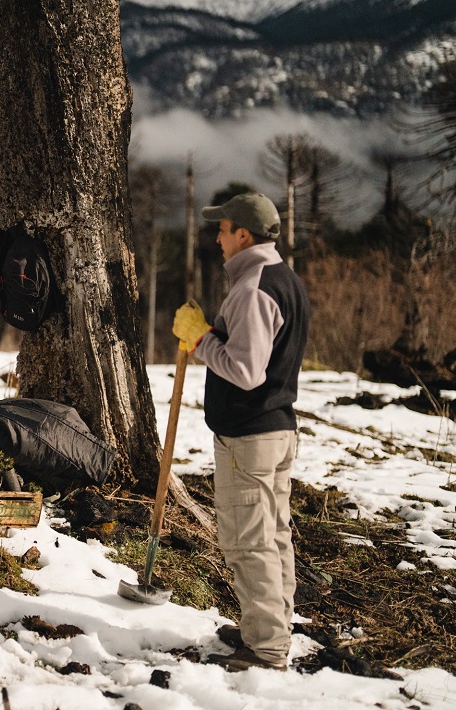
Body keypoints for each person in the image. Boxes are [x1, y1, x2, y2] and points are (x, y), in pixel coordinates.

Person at [172, 192, 310, 672]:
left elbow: (246, 370)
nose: (218, 237)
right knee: (272, 535)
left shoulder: (252, 288)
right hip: (277, 429)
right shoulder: (284, 279)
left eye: (224, 229)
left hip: (250, 436)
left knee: (248, 541)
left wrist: (199, 339)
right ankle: (269, 629)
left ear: (244, 235)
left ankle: (266, 648)